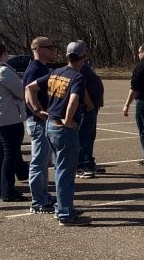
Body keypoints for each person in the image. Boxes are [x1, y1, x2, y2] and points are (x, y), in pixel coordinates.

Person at [25, 40, 92, 226]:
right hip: (63, 129)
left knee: (59, 168)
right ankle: (65, 214)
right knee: (65, 172)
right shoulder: (77, 77)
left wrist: (37, 110)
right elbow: (74, 100)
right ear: (83, 58)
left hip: (50, 126)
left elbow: (29, 88)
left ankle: (61, 207)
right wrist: (68, 120)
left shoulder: (56, 72)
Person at [0, 42, 26, 202]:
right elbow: (21, 92)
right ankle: (7, 190)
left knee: (1, 153)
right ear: (2, 54)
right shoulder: (4, 72)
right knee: (10, 154)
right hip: (8, 117)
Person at [22, 37, 56, 214]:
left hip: (43, 121)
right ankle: (38, 201)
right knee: (38, 162)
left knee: (44, 162)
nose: (52, 50)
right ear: (38, 49)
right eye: (49, 47)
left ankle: (44, 195)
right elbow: (28, 91)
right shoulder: (35, 69)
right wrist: (38, 111)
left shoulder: (42, 68)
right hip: (38, 122)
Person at [77, 56, 104, 178]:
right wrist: (89, 104)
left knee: (90, 137)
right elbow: (81, 88)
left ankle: (89, 163)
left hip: (93, 107)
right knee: (83, 138)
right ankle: (79, 166)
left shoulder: (86, 66)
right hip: (86, 108)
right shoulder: (79, 69)